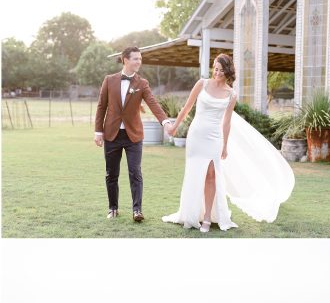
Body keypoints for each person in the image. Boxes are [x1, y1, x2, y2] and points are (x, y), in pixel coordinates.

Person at [162, 53, 295, 233]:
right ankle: (192, 213)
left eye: (221, 70)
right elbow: (186, 108)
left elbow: (226, 122)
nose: (217, 73)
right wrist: (174, 127)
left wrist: (224, 145)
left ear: (227, 72)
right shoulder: (202, 84)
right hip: (197, 136)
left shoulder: (231, 94)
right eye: (215, 69)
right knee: (195, 175)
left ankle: (208, 216)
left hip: (214, 138)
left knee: (211, 175)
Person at [94, 46, 172, 222]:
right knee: (111, 173)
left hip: (133, 135)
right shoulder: (109, 80)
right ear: (125, 60)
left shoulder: (142, 83)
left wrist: (165, 121)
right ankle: (112, 208)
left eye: (140, 59)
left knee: (135, 172)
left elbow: (152, 102)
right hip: (111, 134)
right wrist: (98, 131)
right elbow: (101, 107)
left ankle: (137, 210)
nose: (139, 62)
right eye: (136, 58)